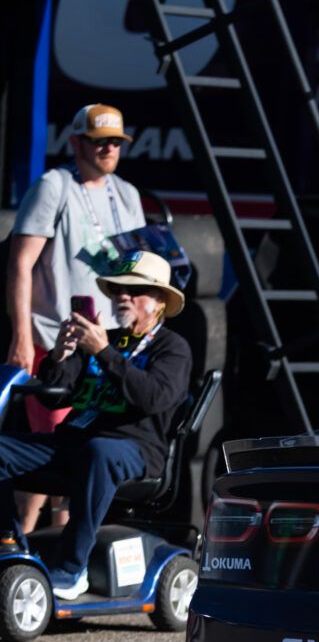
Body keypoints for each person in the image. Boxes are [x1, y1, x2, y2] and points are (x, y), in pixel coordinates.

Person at [0, 252, 191, 600]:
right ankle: (11, 548)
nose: (123, 296)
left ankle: (72, 570)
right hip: (75, 442)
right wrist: (60, 353)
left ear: (159, 301)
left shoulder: (173, 348)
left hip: (134, 450)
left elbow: (150, 398)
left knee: (98, 450)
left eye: (135, 291)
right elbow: (54, 397)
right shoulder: (103, 338)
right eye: (118, 289)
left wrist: (104, 352)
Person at [6, 104, 146, 534]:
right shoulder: (54, 186)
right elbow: (19, 263)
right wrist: (22, 336)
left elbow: (139, 267)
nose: (108, 149)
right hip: (57, 343)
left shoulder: (126, 194)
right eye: (99, 140)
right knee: (49, 448)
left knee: (85, 455)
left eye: (116, 142)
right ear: (75, 142)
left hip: (108, 350)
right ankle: (24, 543)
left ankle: (64, 549)